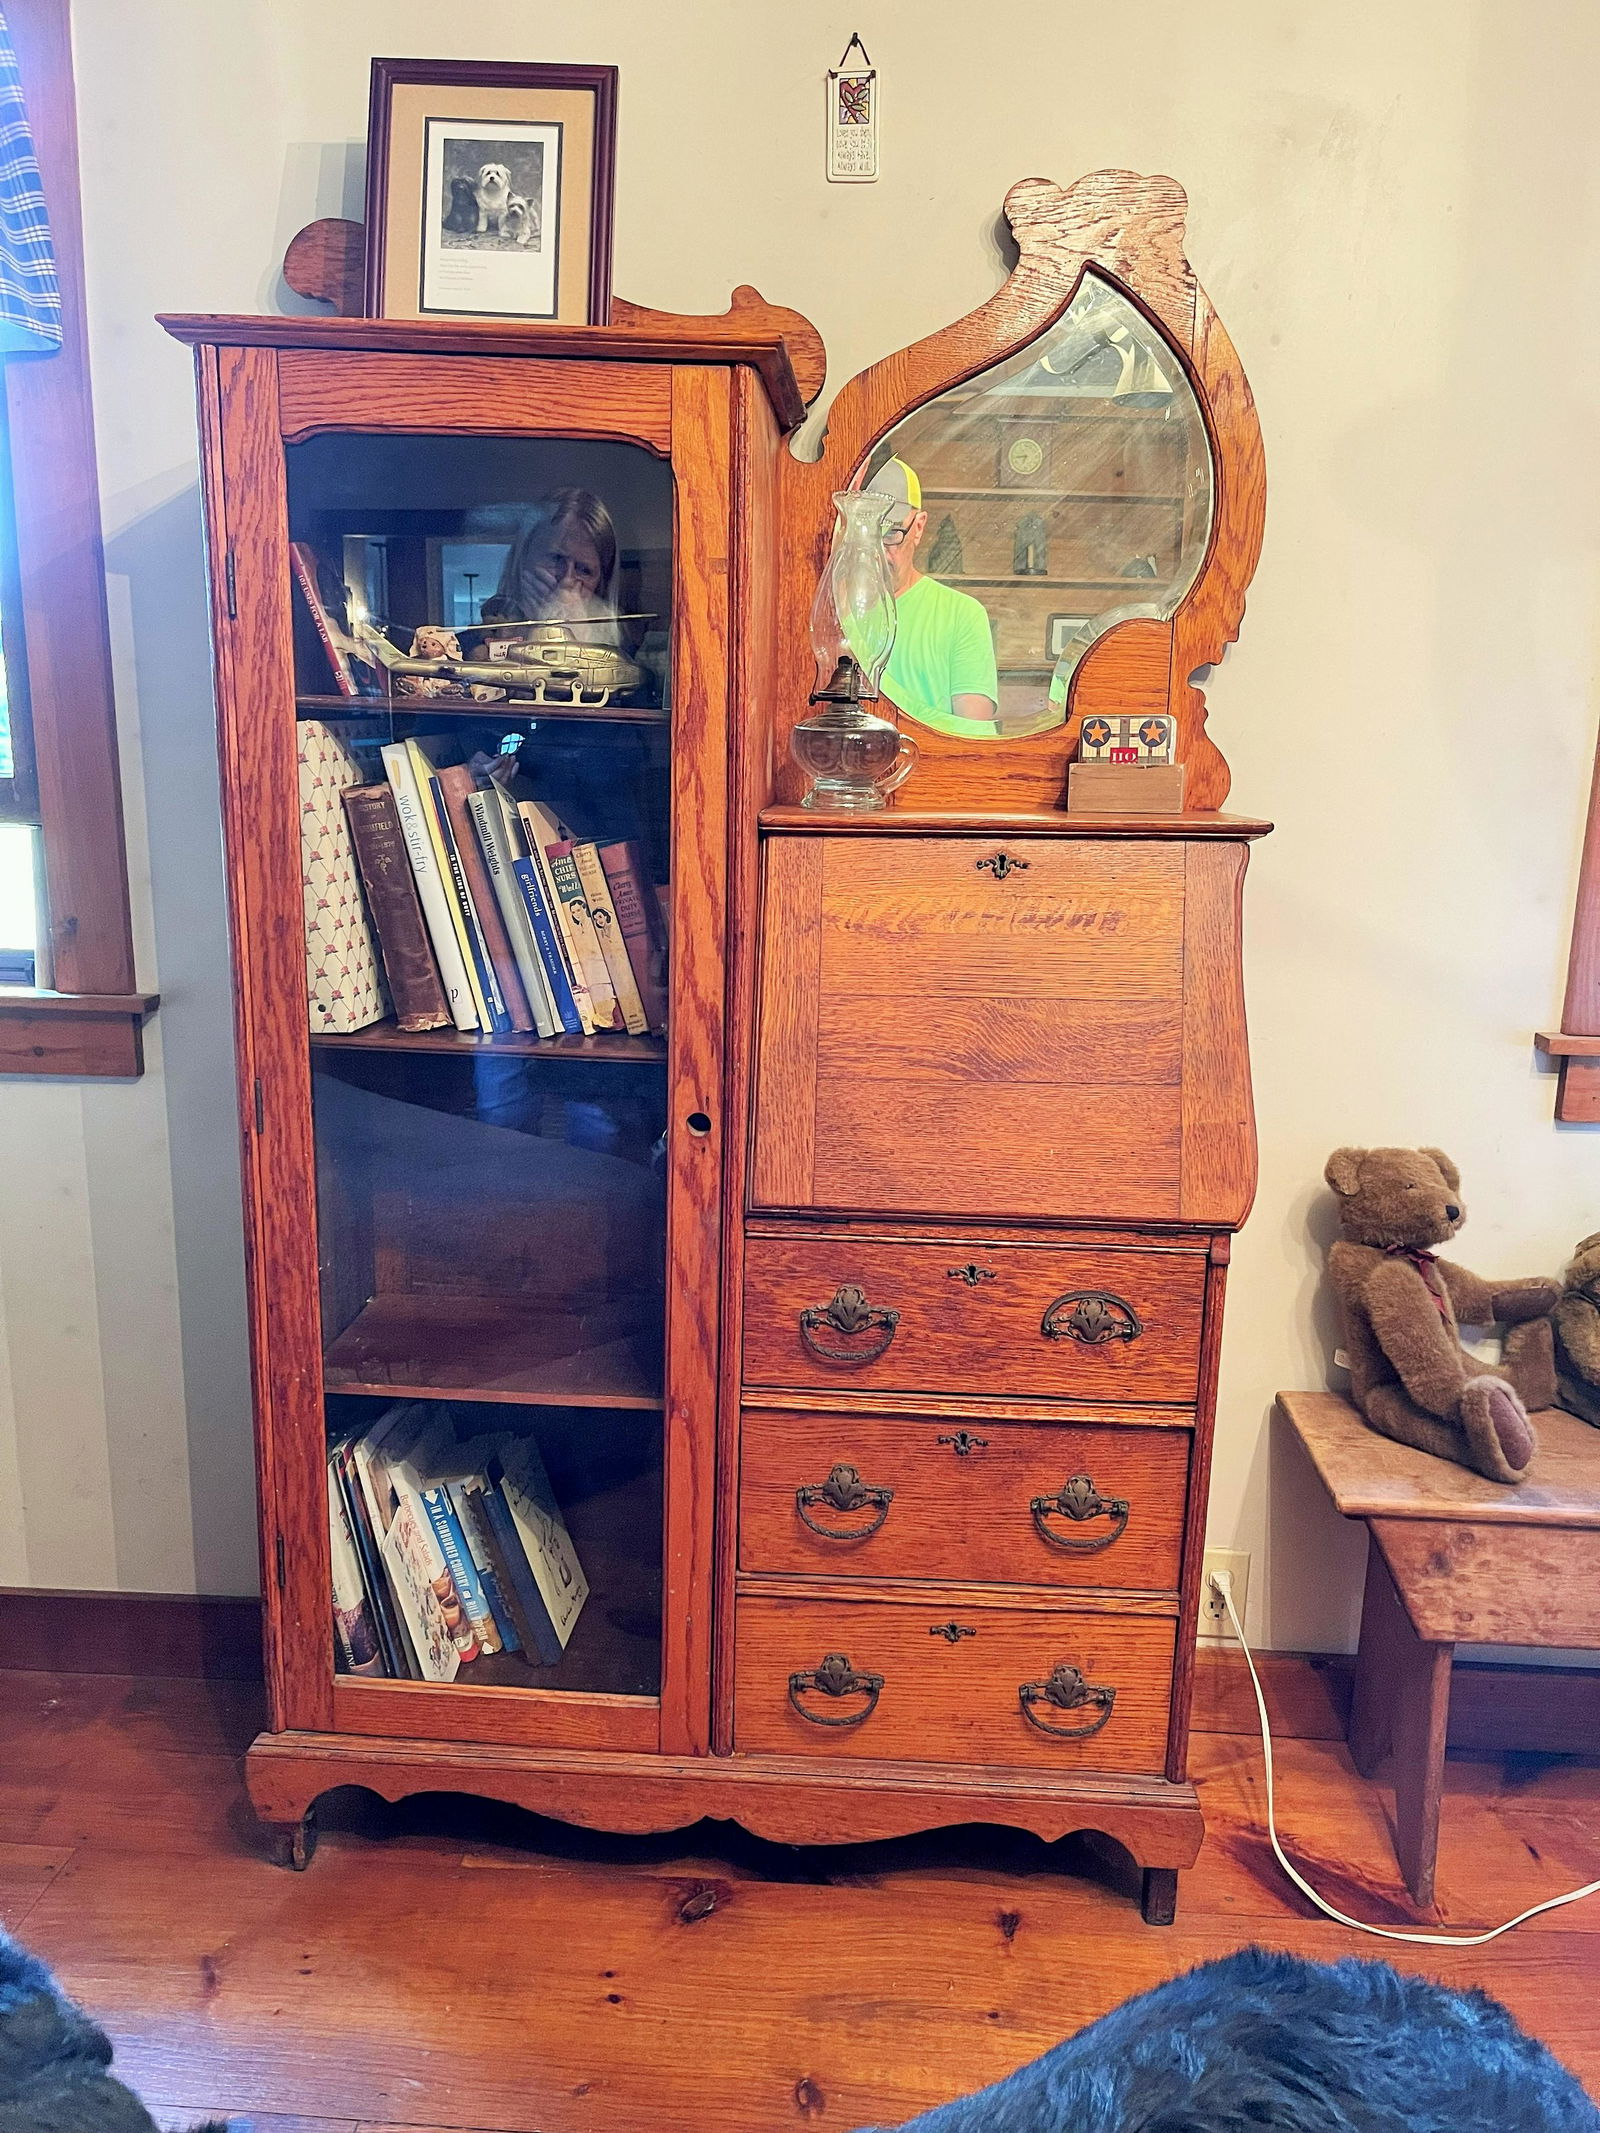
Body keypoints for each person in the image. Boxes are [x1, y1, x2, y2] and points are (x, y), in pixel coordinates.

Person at [863, 457, 999, 737]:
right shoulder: (834, 613)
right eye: (867, 534)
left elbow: (975, 739)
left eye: (891, 533)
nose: (878, 551)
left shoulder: (962, 614)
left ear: (919, 526)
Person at [485, 487, 621, 645]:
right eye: (556, 559)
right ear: (523, 557)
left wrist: (573, 632)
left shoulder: (621, 648)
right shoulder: (473, 641)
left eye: (584, 570)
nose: (566, 581)